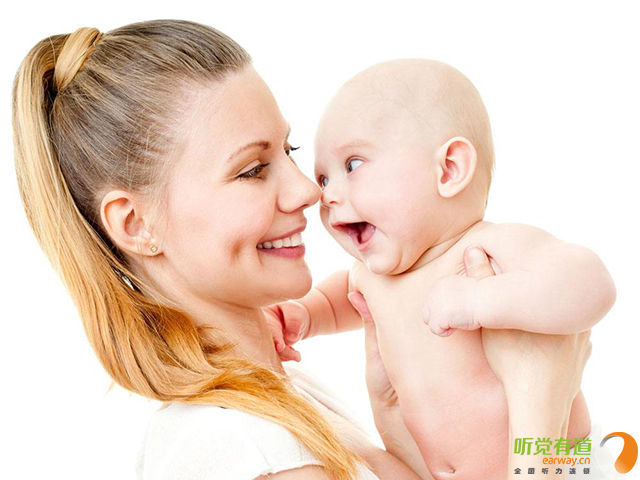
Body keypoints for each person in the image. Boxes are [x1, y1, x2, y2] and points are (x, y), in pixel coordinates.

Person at [11, 20, 591, 480]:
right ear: (136, 223)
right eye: (252, 169)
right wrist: (541, 400)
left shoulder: (287, 399)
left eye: (286, 151)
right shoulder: (244, 447)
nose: (309, 191)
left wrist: (399, 438)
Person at [266, 59, 617, 479]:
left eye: (353, 165)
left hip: (562, 461)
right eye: (323, 179)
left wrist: (481, 300)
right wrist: (304, 315)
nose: (327, 196)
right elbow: (342, 298)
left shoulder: (484, 249)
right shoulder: (371, 277)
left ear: (449, 169)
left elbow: (592, 283)